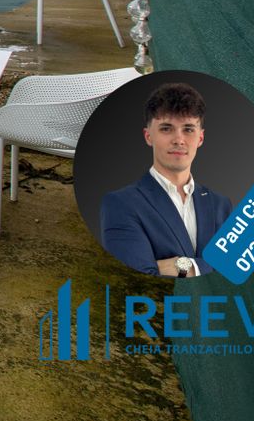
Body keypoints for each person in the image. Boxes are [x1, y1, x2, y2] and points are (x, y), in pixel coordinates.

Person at [99, 81, 233, 277]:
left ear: (200, 138)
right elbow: (140, 275)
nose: (178, 140)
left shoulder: (220, 204)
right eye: (166, 128)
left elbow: (233, 269)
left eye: (188, 129)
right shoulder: (120, 204)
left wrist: (181, 265)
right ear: (148, 136)